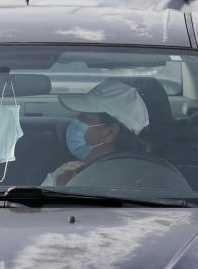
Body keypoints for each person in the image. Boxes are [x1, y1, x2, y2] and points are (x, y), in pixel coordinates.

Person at [44, 78, 190, 192]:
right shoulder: (65, 173)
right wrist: (58, 190)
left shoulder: (147, 179)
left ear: (110, 132)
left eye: (84, 118)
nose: (74, 123)